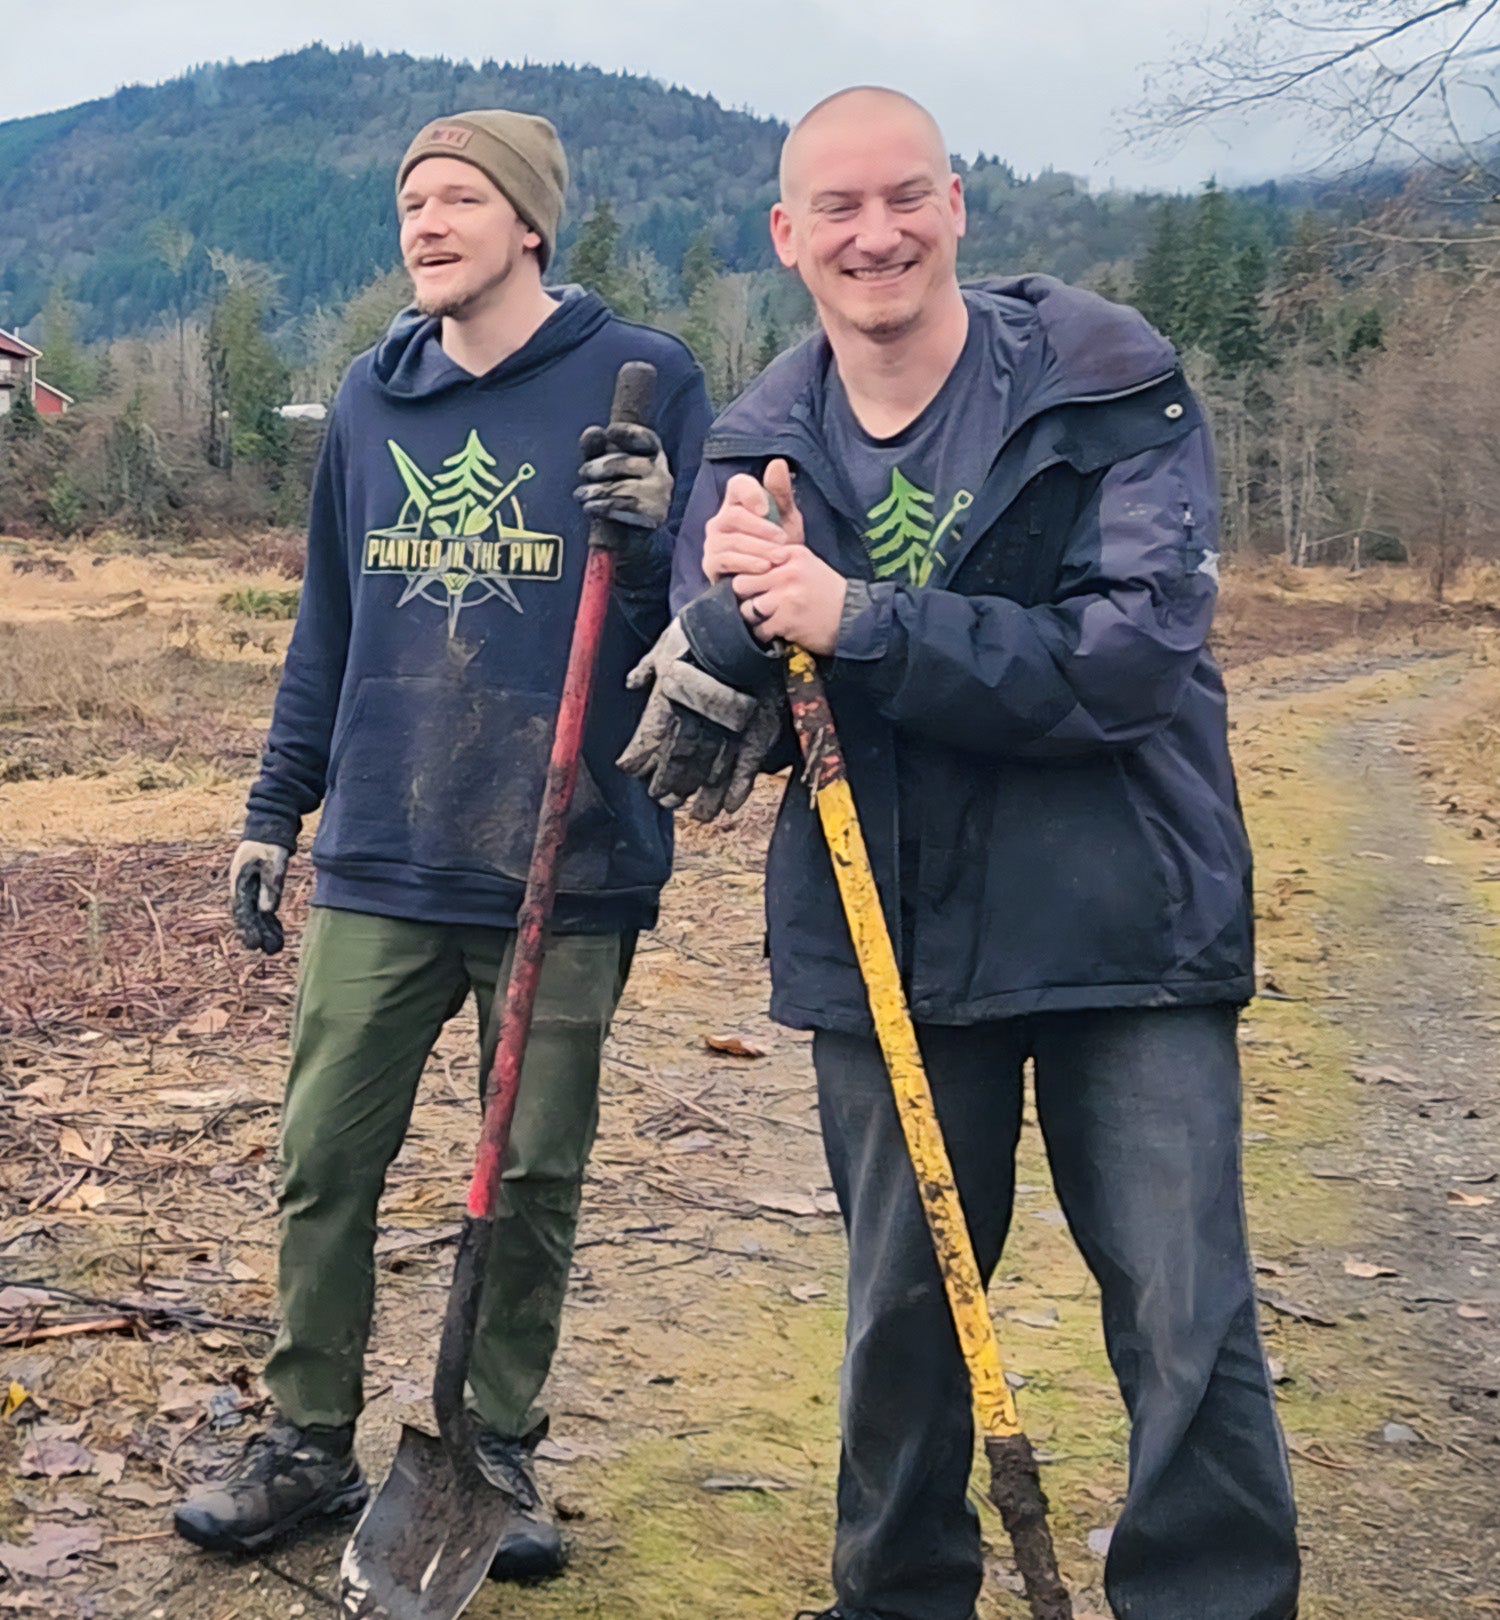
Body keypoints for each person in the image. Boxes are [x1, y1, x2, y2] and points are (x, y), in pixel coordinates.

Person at [622, 87, 1299, 1620]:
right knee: (901, 1311)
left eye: (905, 198)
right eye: (839, 212)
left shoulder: (1105, 384)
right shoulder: (758, 443)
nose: (879, 236)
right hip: (892, 933)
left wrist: (860, 619)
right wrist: (723, 615)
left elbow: (1128, 663)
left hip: (1129, 918)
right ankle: (898, 1595)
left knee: (1186, 1313)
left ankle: (1210, 1601)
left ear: (958, 205)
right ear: (788, 238)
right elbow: (746, 716)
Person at [172, 108, 710, 1579]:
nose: (425, 221)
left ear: (530, 223)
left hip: (570, 853)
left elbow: (710, 620)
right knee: (322, 1157)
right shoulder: (370, 396)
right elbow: (326, 626)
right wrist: (273, 810)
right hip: (389, 843)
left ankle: (491, 1448)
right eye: (410, 199)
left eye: (459, 197)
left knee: (532, 1170)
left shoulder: (638, 379)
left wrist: (664, 529)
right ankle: (304, 1441)